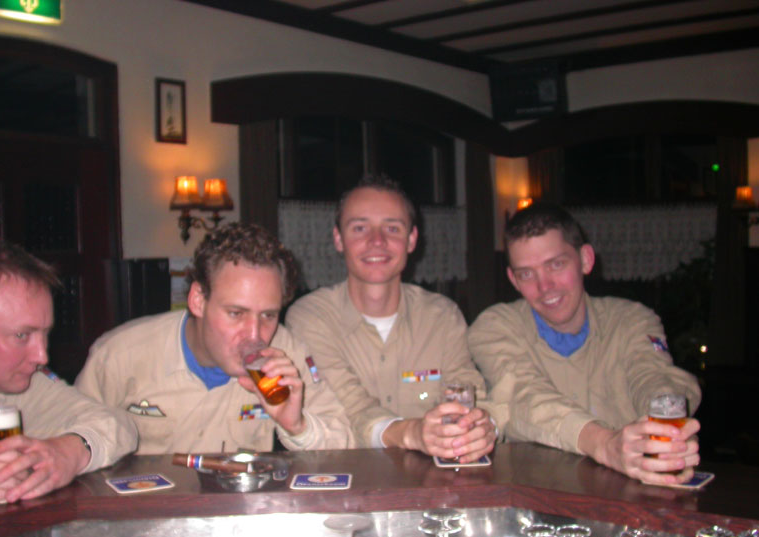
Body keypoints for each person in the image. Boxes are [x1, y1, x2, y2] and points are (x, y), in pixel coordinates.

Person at [468, 202, 702, 485]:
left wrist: (667, 434)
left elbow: (653, 376)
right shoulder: (495, 327)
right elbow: (523, 395)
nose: (545, 286)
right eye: (526, 274)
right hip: (535, 496)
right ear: (513, 280)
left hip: (626, 496)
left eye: (556, 265)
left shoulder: (632, 319)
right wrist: (605, 444)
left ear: (586, 260)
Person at [75, 222, 353, 454]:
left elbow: (344, 443)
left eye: (268, 315)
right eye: (236, 313)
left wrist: (298, 427)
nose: (254, 335)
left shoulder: (286, 352)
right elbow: (69, 439)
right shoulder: (120, 354)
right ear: (198, 300)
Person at [286, 175, 498, 463]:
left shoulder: (443, 317)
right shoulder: (310, 317)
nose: (377, 241)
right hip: (343, 478)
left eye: (392, 228)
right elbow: (349, 405)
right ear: (338, 239)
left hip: (431, 482)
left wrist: (479, 427)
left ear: (411, 240)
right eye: (360, 228)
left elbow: (468, 393)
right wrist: (411, 433)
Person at [0, 241, 138, 507]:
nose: (41, 356)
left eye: (45, 334)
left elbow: (118, 425)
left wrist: (68, 452)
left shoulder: (19, 380)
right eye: (22, 335)